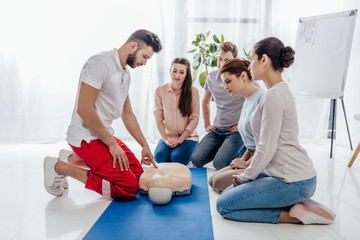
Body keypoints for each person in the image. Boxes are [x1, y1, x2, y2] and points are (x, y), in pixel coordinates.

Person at [216, 37, 336, 224]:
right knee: (229, 193)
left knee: (224, 205)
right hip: (284, 176)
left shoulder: (274, 96)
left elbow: (266, 148)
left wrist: (244, 178)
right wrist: (244, 176)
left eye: (253, 59)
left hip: (294, 181)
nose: (249, 66)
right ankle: (297, 204)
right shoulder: (277, 92)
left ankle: (297, 216)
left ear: (264, 60)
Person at [43, 29, 162, 201]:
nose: (144, 63)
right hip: (85, 138)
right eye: (145, 57)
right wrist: (112, 144)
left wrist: (144, 145)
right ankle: (59, 167)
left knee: (138, 177)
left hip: (102, 135)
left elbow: (127, 113)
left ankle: (73, 159)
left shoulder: (125, 74)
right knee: (128, 188)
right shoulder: (99, 63)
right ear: (133, 46)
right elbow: (84, 109)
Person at [208, 58, 264, 193]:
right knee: (212, 180)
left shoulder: (262, 98)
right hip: (251, 156)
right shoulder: (247, 100)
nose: (225, 87)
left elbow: (264, 145)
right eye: (224, 83)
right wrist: (243, 159)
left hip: (261, 161)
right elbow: (251, 144)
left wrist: (246, 164)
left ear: (243, 76)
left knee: (217, 183)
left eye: (228, 81)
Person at [191, 42, 246, 170]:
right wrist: (207, 124)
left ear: (234, 60)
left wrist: (242, 126)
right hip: (218, 130)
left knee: (219, 165)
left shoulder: (241, 77)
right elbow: (205, 101)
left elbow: (257, 101)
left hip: (235, 132)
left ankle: (244, 151)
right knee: (196, 160)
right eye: (219, 59)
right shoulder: (212, 77)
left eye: (226, 60)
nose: (221, 63)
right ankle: (225, 148)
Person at [153, 58, 200, 165]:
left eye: (181, 72)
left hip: (188, 137)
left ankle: (192, 147)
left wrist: (180, 140)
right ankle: (172, 147)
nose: (177, 75)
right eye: (175, 71)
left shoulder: (193, 92)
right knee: (160, 157)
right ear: (170, 71)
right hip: (168, 136)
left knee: (177, 158)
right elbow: (159, 118)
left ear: (187, 74)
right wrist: (165, 139)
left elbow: (194, 120)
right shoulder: (160, 90)